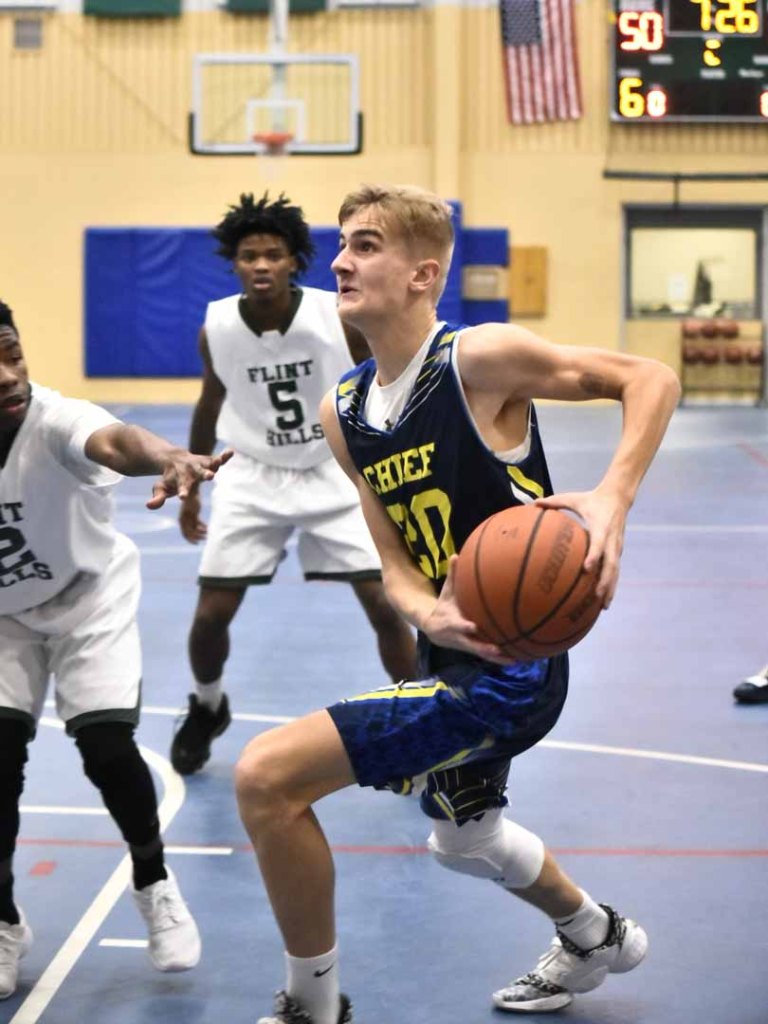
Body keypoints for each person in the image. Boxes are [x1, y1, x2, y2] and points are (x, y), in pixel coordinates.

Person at [233, 184, 682, 1024]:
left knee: (266, 777)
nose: (340, 261)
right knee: (463, 838)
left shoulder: (477, 358)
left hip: (513, 668)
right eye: (342, 244)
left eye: (366, 245)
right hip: (447, 645)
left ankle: (312, 1005)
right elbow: (395, 562)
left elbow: (648, 377)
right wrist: (426, 612)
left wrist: (612, 498)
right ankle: (595, 934)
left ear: (422, 274)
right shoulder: (343, 413)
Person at [0, 300, 233, 999]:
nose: (8, 373)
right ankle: (4, 919)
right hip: (4, 618)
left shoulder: (54, 420)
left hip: (87, 597)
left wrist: (169, 457)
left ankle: (153, 880)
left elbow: (115, 441)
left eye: (12, 352)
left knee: (105, 748)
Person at [170, 192, 416, 776]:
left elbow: (384, 387)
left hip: (332, 468)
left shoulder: (337, 315)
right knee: (210, 615)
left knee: (386, 605)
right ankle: (207, 705)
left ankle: (417, 721)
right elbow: (210, 402)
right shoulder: (217, 325)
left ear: (293, 261)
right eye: (249, 256)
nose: (261, 265)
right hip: (252, 472)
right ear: (235, 263)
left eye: (273, 255)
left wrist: (394, 470)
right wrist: (193, 484)